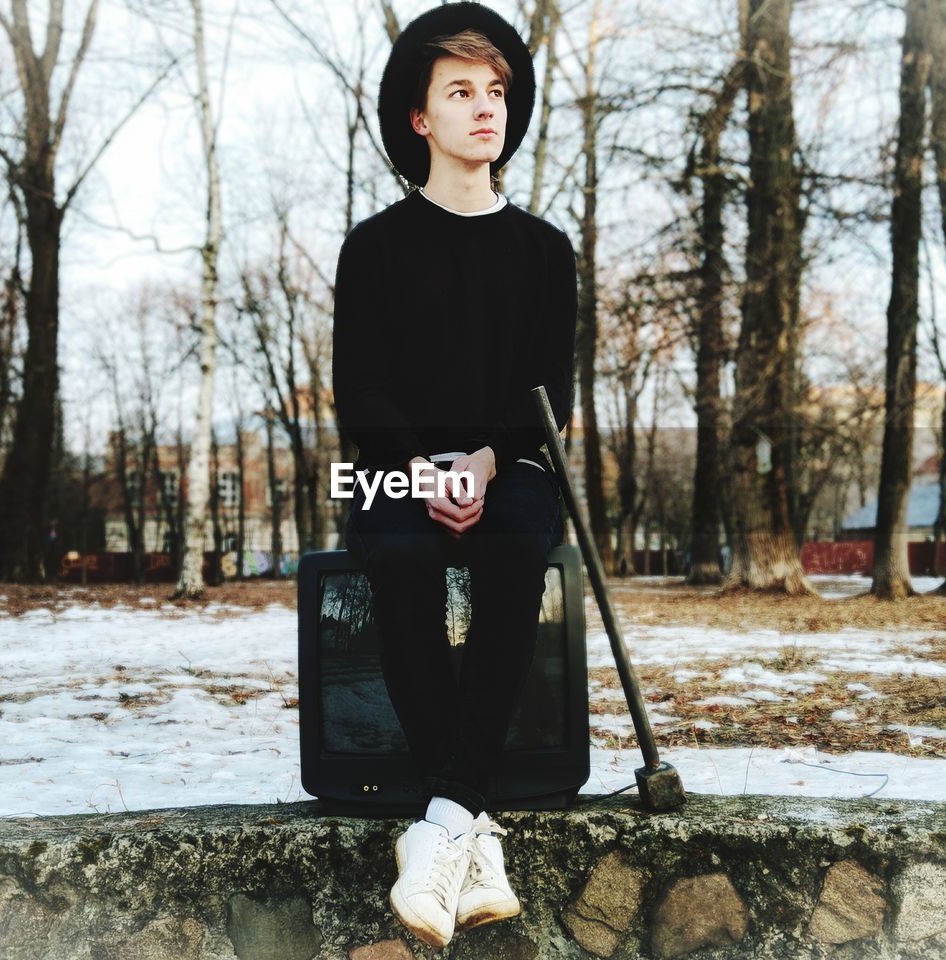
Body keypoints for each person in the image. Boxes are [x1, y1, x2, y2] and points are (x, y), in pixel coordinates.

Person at [330, 2, 577, 949]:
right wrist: (425, 470)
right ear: (420, 119)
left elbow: (550, 394)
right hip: (393, 470)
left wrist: (479, 461)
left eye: (498, 91)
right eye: (462, 91)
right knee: (395, 552)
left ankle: (438, 825)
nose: (487, 109)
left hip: (507, 465)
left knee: (520, 540)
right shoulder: (375, 248)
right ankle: (471, 827)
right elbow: (363, 394)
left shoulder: (545, 252)